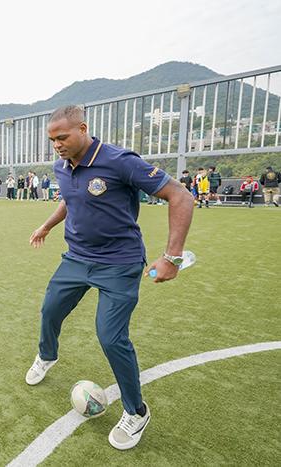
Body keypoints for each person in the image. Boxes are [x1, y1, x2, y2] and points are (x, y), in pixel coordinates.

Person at [24, 105, 193, 451]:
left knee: (111, 336)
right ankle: (47, 355)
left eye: (62, 137)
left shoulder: (119, 161)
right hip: (76, 258)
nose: (56, 144)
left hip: (119, 263)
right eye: (52, 140)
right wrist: (46, 225)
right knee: (50, 310)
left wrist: (172, 257)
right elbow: (71, 200)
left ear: (83, 129)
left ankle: (136, 411)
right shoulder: (61, 166)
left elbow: (180, 195)